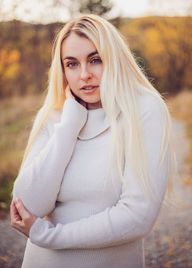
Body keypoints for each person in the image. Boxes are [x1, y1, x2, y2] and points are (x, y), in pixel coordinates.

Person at [10, 14, 175, 268]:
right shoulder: (56, 114)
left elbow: (137, 216)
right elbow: (27, 206)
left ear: (115, 59)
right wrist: (70, 125)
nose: (84, 74)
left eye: (95, 60)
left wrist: (49, 235)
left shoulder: (144, 109)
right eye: (72, 64)